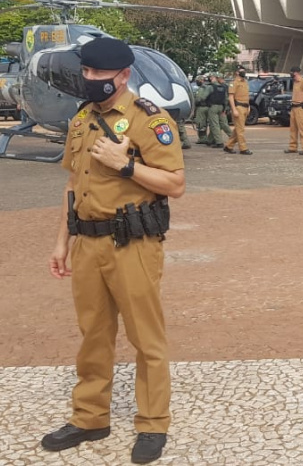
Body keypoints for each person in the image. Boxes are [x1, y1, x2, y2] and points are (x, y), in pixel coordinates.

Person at [43, 37, 185, 464]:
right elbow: (73, 184)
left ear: (123, 76)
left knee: (146, 338)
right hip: (87, 243)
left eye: (99, 73)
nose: (90, 79)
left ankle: (153, 423)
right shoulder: (82, 118)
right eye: (86, 72)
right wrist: (62, 241)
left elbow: (175, 184)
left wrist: (125, 165)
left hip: (133, 245)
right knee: (93, 334)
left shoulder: (149, 119)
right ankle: (90, 417)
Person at [224, 69, 252, 155]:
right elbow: (231, 97)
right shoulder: (233, 83)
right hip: (238, 107)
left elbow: (247, 96)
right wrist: (234, 109)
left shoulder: (245, 82)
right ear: (237, 72)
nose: (244, 72)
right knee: (240, 130)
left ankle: (228, 146)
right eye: (241, 71)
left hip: (245, 107)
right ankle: (243, 148)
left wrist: (249, 106)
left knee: (238, 129)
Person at [285, 67, 303, 155]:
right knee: (293, 129)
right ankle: (292, 147)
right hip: (294, 107)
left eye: (291, 72)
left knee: (302, 128)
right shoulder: (295, 82)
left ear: (296, 73)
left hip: (301, 107)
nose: (290, 74)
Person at [204, 73, 228, 148]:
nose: (210, 78)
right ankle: (210, 140)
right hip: (221, 107)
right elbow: (226, 99)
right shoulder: (223, 87)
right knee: (223, 124)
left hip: (213, 107)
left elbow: (203, 97)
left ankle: (219, 142)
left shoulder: (211, 87)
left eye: (211, 77)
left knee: (214, 125)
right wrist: (225, 109)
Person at [193, 76, 210, 144]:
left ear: (201, 80)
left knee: (200, 123)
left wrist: (195, 102)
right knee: (205, 123)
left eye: (197, 80)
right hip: (207, 107)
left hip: (201, 107)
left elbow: (198, 98)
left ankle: (203, 138)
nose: (197, 82)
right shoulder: (208, 87)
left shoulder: (202, 88)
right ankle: (204, 138)